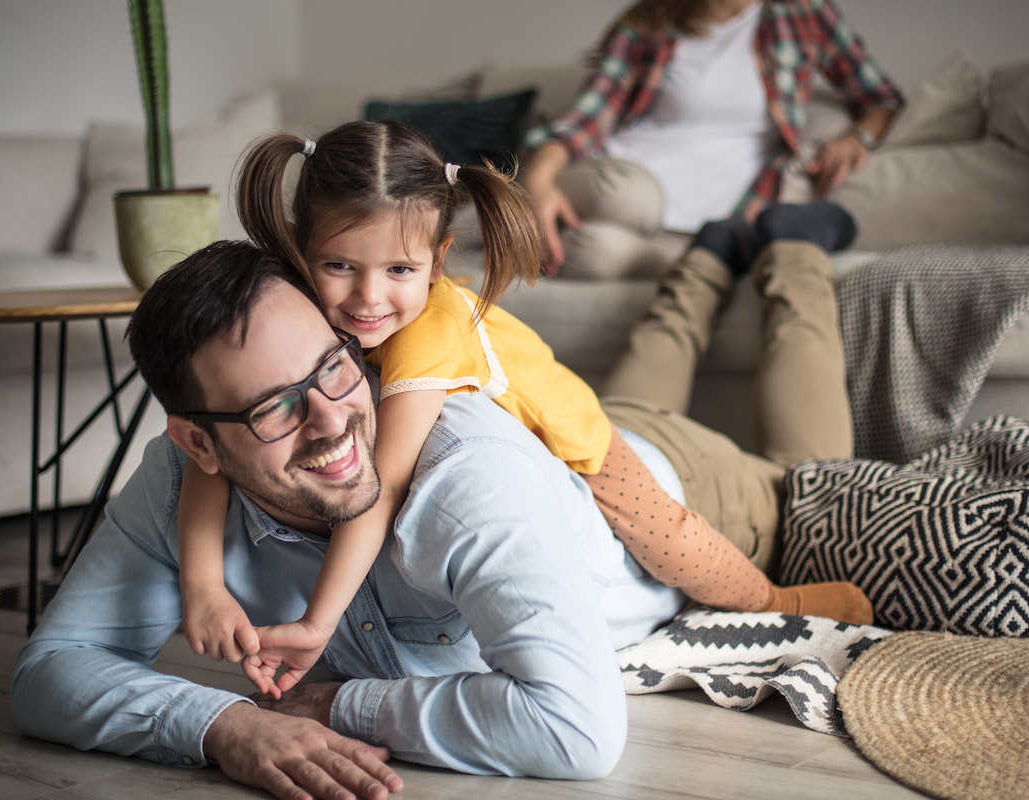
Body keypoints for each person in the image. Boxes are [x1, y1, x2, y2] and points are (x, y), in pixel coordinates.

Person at [12, 192, 864, 797]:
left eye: (335, 368)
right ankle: (707, 259)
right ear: (197, 441)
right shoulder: (180, 478)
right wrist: (223, 727)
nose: (332, 422)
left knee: (813, 460)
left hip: (672, 490)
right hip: (567, 434)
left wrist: (339, 704)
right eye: (275, 405)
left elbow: (577, 735)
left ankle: (788, 247)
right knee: (636, 369)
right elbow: (49, 672)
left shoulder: (462, 476)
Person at [175, 120, 871, 699]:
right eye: (339, 267)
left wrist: (317, 623)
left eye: (399, 272)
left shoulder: (425, 332)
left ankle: (784, 603)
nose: (367, 299)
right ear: (302, 248)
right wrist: (202, 585)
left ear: (439, 262)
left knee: (687, 548)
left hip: (592, 445)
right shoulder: (290, 304)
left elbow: (381, 488)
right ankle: (712, 252)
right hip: (595, 399)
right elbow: (221, 435)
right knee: (656, 361)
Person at [522, 0, 904, 275]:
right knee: (629, 197)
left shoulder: (804, 14)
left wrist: (858, 137)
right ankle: (513, 207)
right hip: (617, 182)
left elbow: (882, 99)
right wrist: (538, 182)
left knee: (596, 256)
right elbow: (584, 118)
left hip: (702, 220)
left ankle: (509, 231)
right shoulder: (645, 24)